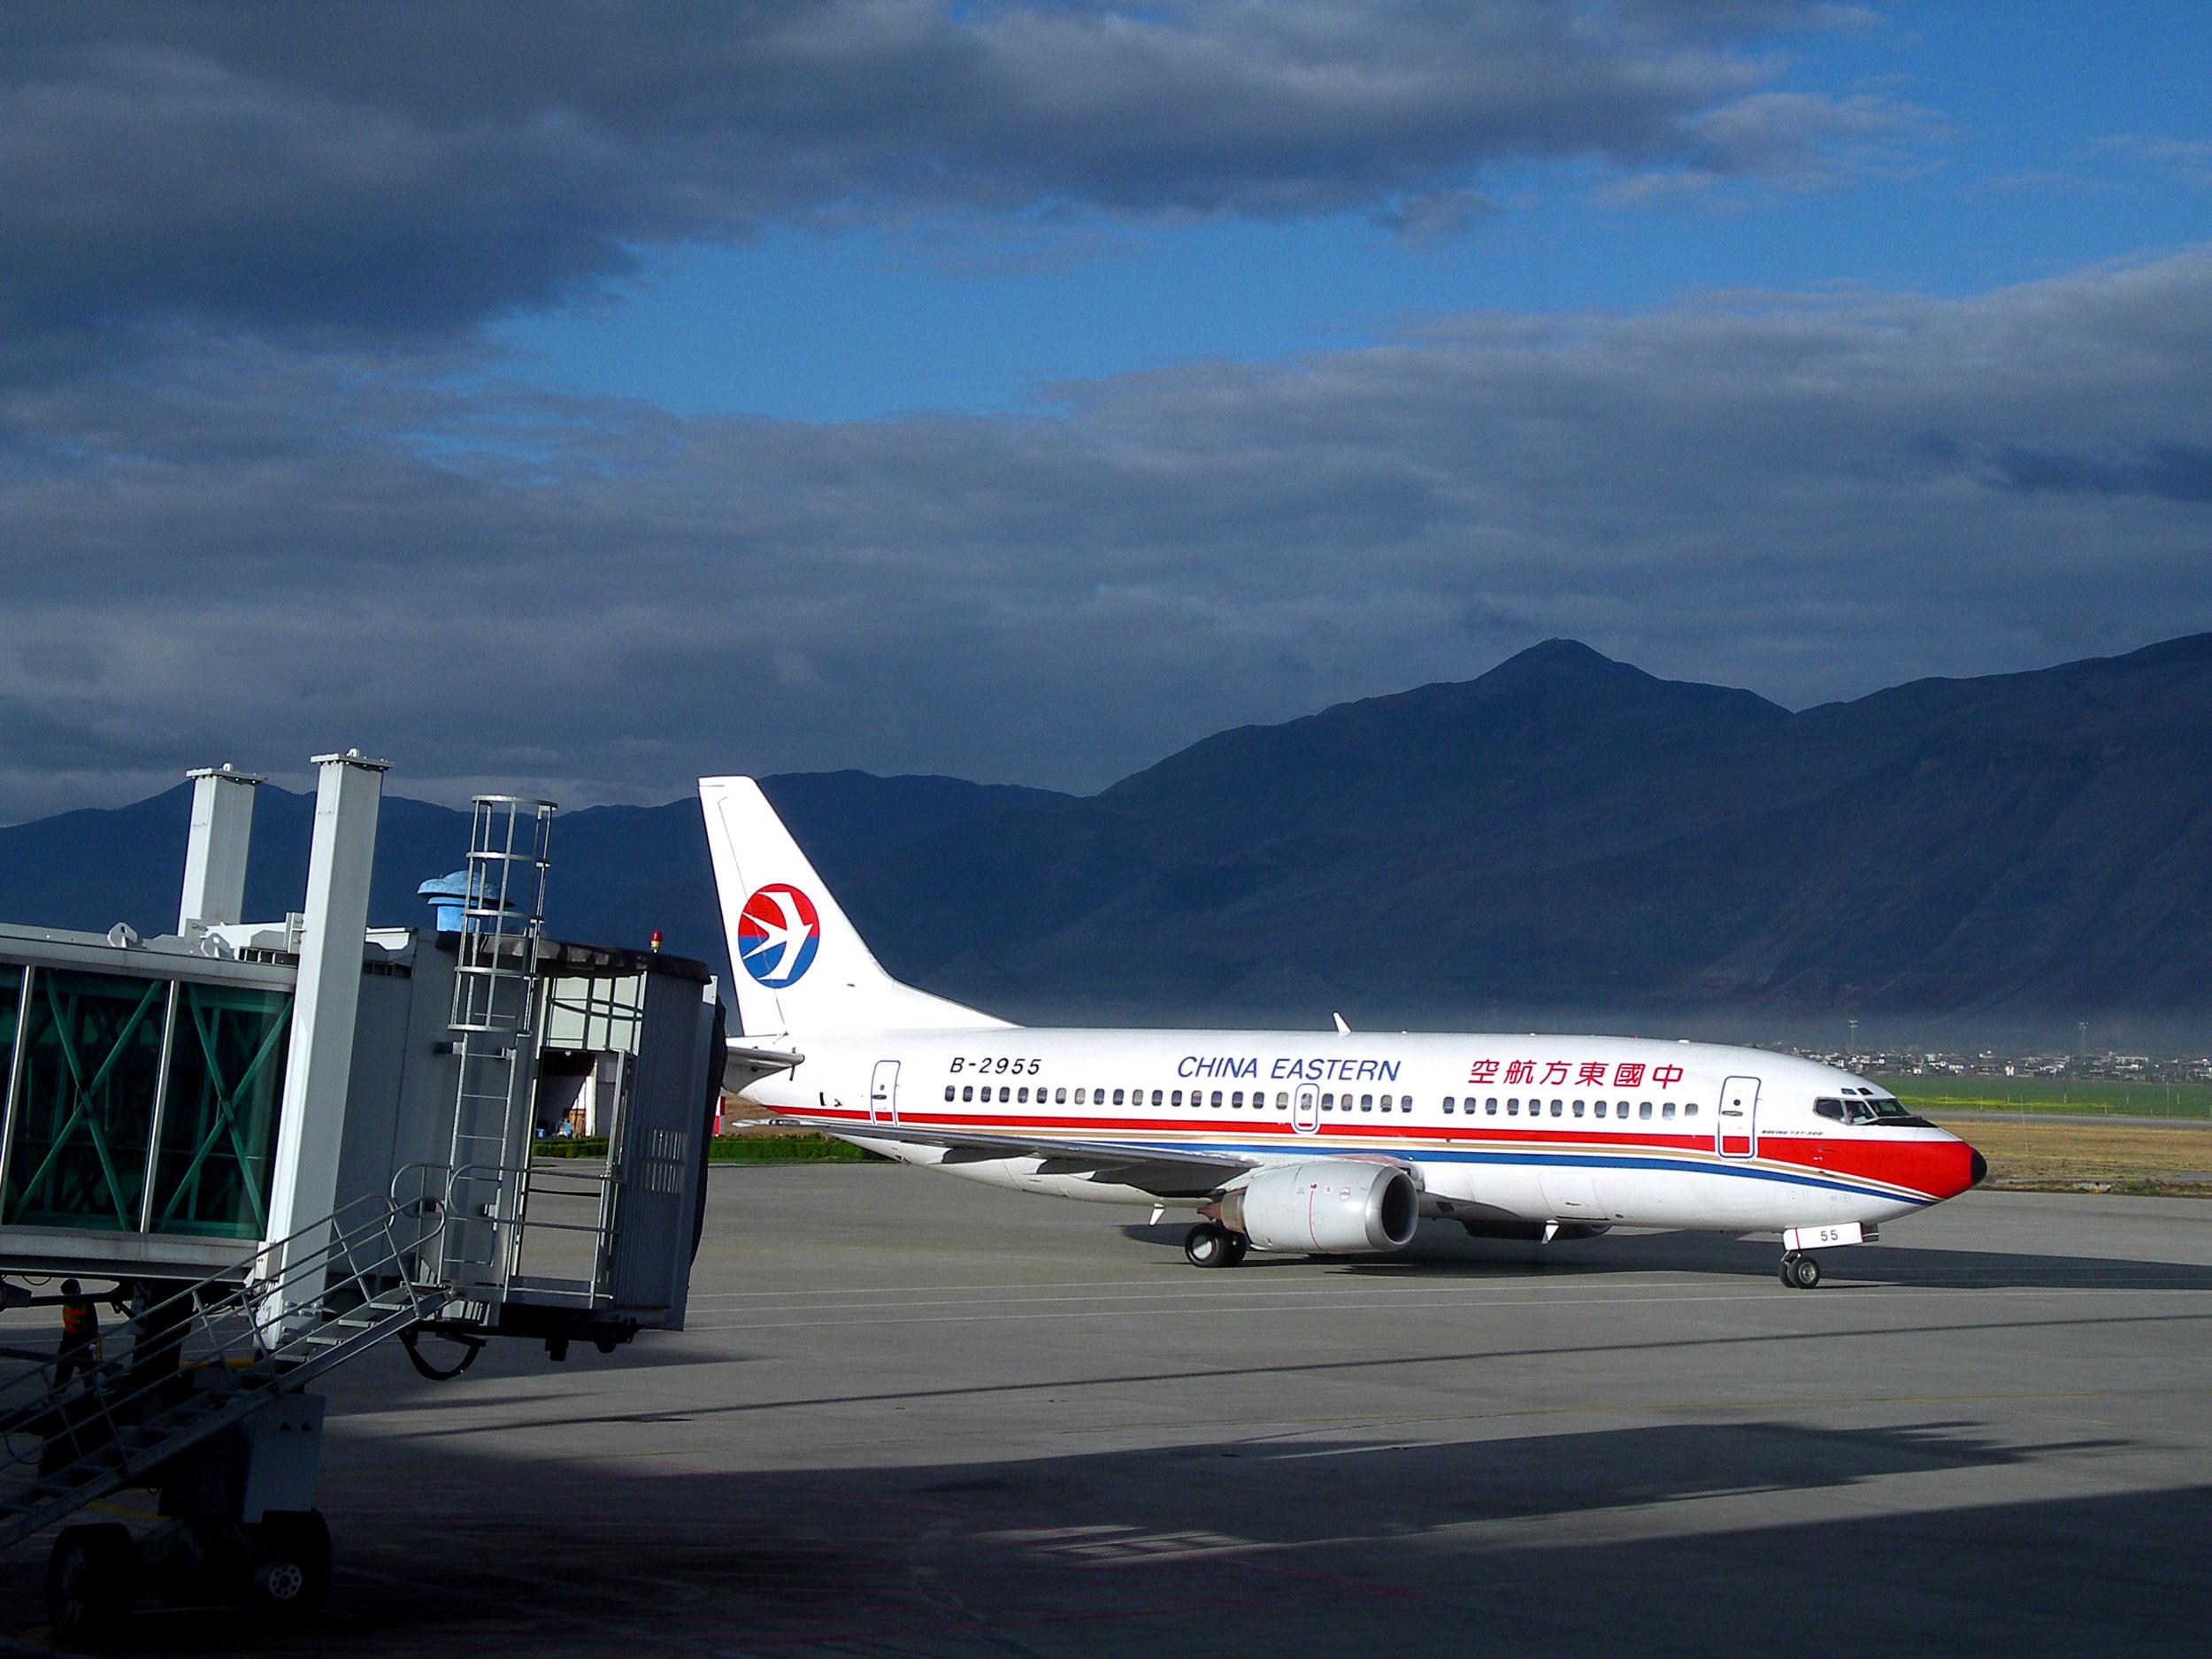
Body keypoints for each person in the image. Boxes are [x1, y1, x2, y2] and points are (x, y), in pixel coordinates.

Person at [54, 1279, 100, 1389]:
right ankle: (91, 1394)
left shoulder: (70, 1302)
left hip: (76, 1340)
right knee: (69, 1370)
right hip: (76, 1340)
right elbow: (93, 1324)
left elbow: (92, 1324)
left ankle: (58, 1395)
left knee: (66, 1370)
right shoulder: (85, 1303)